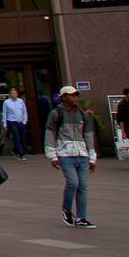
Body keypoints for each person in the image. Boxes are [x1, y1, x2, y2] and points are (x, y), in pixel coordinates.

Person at [46, 85, 97, 227]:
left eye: (76, 95)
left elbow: (88, 136)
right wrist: (52, 156)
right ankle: (67, 210)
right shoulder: (56, 113)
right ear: (63, 97)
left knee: (83, 186)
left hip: (82, 154)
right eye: (71, 95)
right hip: (65, 154)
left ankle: (81, 217)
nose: (75, 98)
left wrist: (92, 157)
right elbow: (50, 134)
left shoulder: (82, 115)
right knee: (73, 182)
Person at [2, 89, 28, 160]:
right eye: (13, 93)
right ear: (10, 95)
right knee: (16, 137)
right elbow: (5, 113)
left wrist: (24, 121)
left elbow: (24, 111)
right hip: (12, 121)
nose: (15, 95)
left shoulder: (20, 101)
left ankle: (15, 150)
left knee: (22, 137)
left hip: (20, 122)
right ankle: (21, 154)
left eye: (16, 93)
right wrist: (4, 124)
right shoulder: (6, 102)